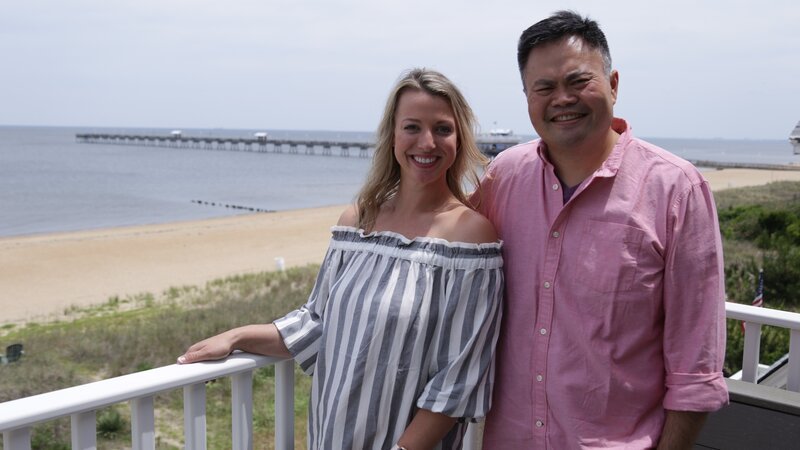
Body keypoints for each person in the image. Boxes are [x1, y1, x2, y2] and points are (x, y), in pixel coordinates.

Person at [178, 68, 504, 450]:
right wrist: (237, 336)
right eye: (412, 127)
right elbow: (317, 322)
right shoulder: (358, 221)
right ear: (393, 135)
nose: (427, 142)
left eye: (443, 129)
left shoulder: (470, 236)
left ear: (460, 137)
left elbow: (459, 377)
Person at [472, 11, 728, 449]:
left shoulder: (675, 189)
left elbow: (695, 369)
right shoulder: (502, 177)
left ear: (613, 84)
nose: (562, 99)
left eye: (578, 81)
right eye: (545, 88)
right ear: (527, 97)